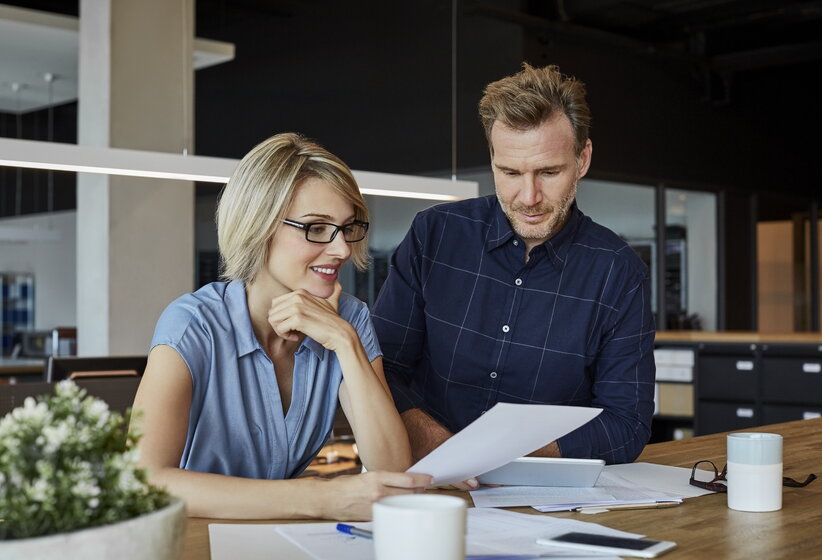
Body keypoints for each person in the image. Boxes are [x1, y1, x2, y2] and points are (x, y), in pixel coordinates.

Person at [371, 63, 655, 477]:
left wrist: (499, 459)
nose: (529, 196)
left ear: (583, 159)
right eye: (510, 172)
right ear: (492, 161)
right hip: (424, 481)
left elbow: (626, 425)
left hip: (543, 501)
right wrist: (444, 450)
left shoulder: (618, 272)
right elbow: (382, 369)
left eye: (549, 172)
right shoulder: (434, 235)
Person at [131, 132, 430, 520]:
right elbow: (144, 480)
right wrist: (321, 499)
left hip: (279, 537)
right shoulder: (194, 324)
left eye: (347, 228)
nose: (341, 249)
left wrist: (343, 340)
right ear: (260, 226)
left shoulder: (350, 318)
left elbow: (391, 470)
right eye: (317, 228)